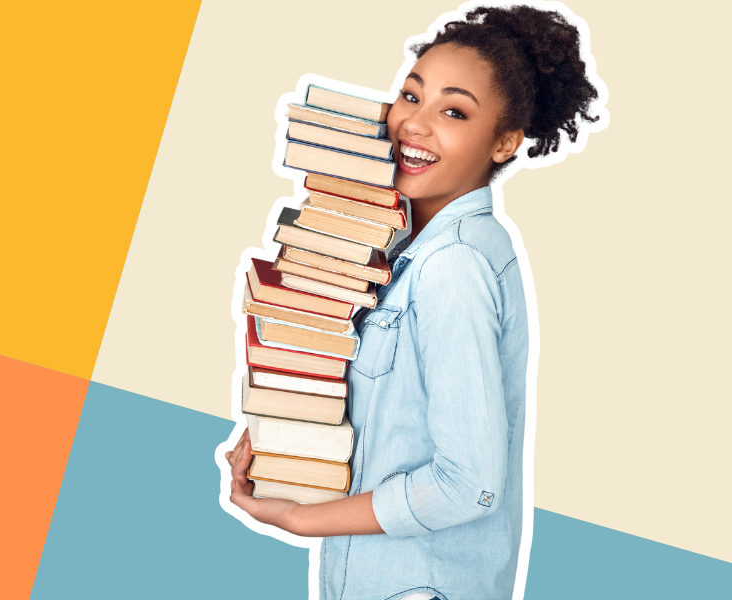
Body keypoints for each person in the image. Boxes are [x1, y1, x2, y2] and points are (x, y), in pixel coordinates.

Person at [225, 5, 601, 599]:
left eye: (453, 111)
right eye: (410, 95)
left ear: (504, 142)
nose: (414, 124)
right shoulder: (405, 246)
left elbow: (469, 485)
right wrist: (287, 445)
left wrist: (300, 519)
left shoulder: (454, 266)